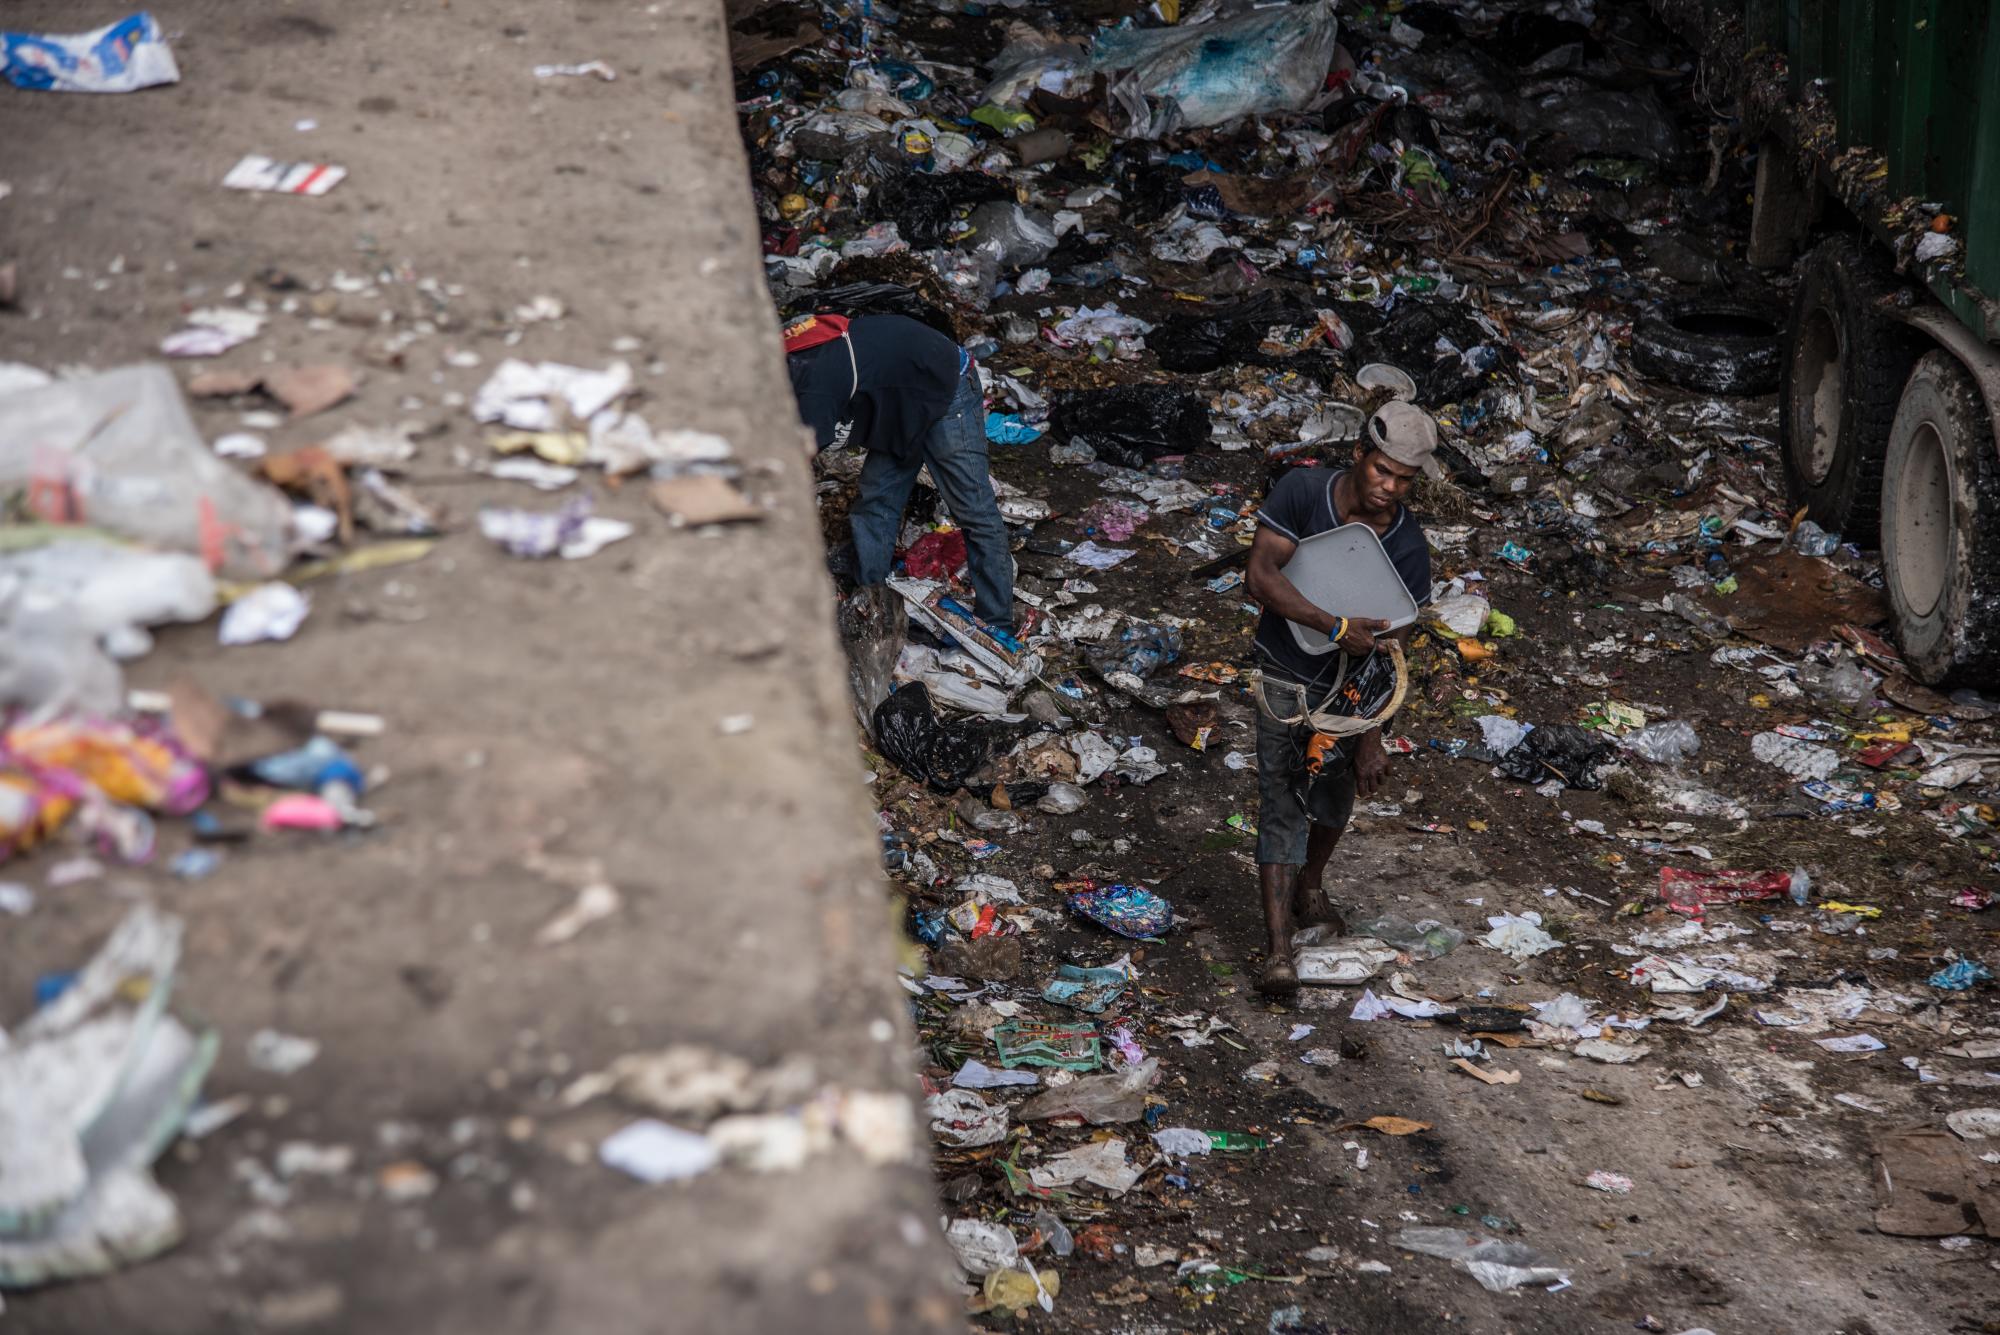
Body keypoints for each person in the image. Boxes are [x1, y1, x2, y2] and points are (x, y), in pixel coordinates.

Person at [1242, 401, 1439, 995]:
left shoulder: (1407, 545)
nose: (1389, 488)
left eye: (1404, 480)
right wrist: (1332, 627)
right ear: (1359, 455)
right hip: (1283, 668)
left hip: (1348, 692)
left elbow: (1390, 651)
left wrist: (1371, 734)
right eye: (1382, 471)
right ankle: (1278, 953)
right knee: (1280, 797)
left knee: (1334, 795)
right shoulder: (1303, 492)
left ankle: (1311, 886)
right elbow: (1261, 576)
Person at [785, 311, 1013, 632]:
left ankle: (996, 623)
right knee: (876, 498)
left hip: (947, 387)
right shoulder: (786, 353)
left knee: (974, 511)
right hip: (901, 398)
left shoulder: (812, 384)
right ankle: (871, 596)